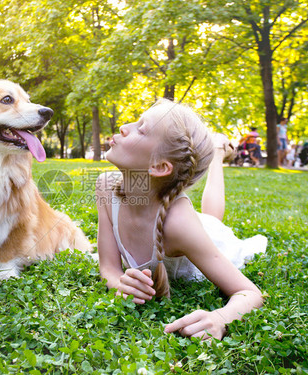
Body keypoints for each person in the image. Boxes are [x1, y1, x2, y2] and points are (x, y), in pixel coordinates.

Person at [95, 99, 266, 340]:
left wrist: (220, 318)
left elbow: (249, 292)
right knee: (208, 218)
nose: (124, 126)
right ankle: (217, 151)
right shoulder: (105, 186)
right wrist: (118, 284)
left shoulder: (179, 224)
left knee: (213, 224)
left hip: (209, 238)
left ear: (159, 166)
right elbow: (109, 267)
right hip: (188, 222)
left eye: (141, 129)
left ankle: (217, 153)